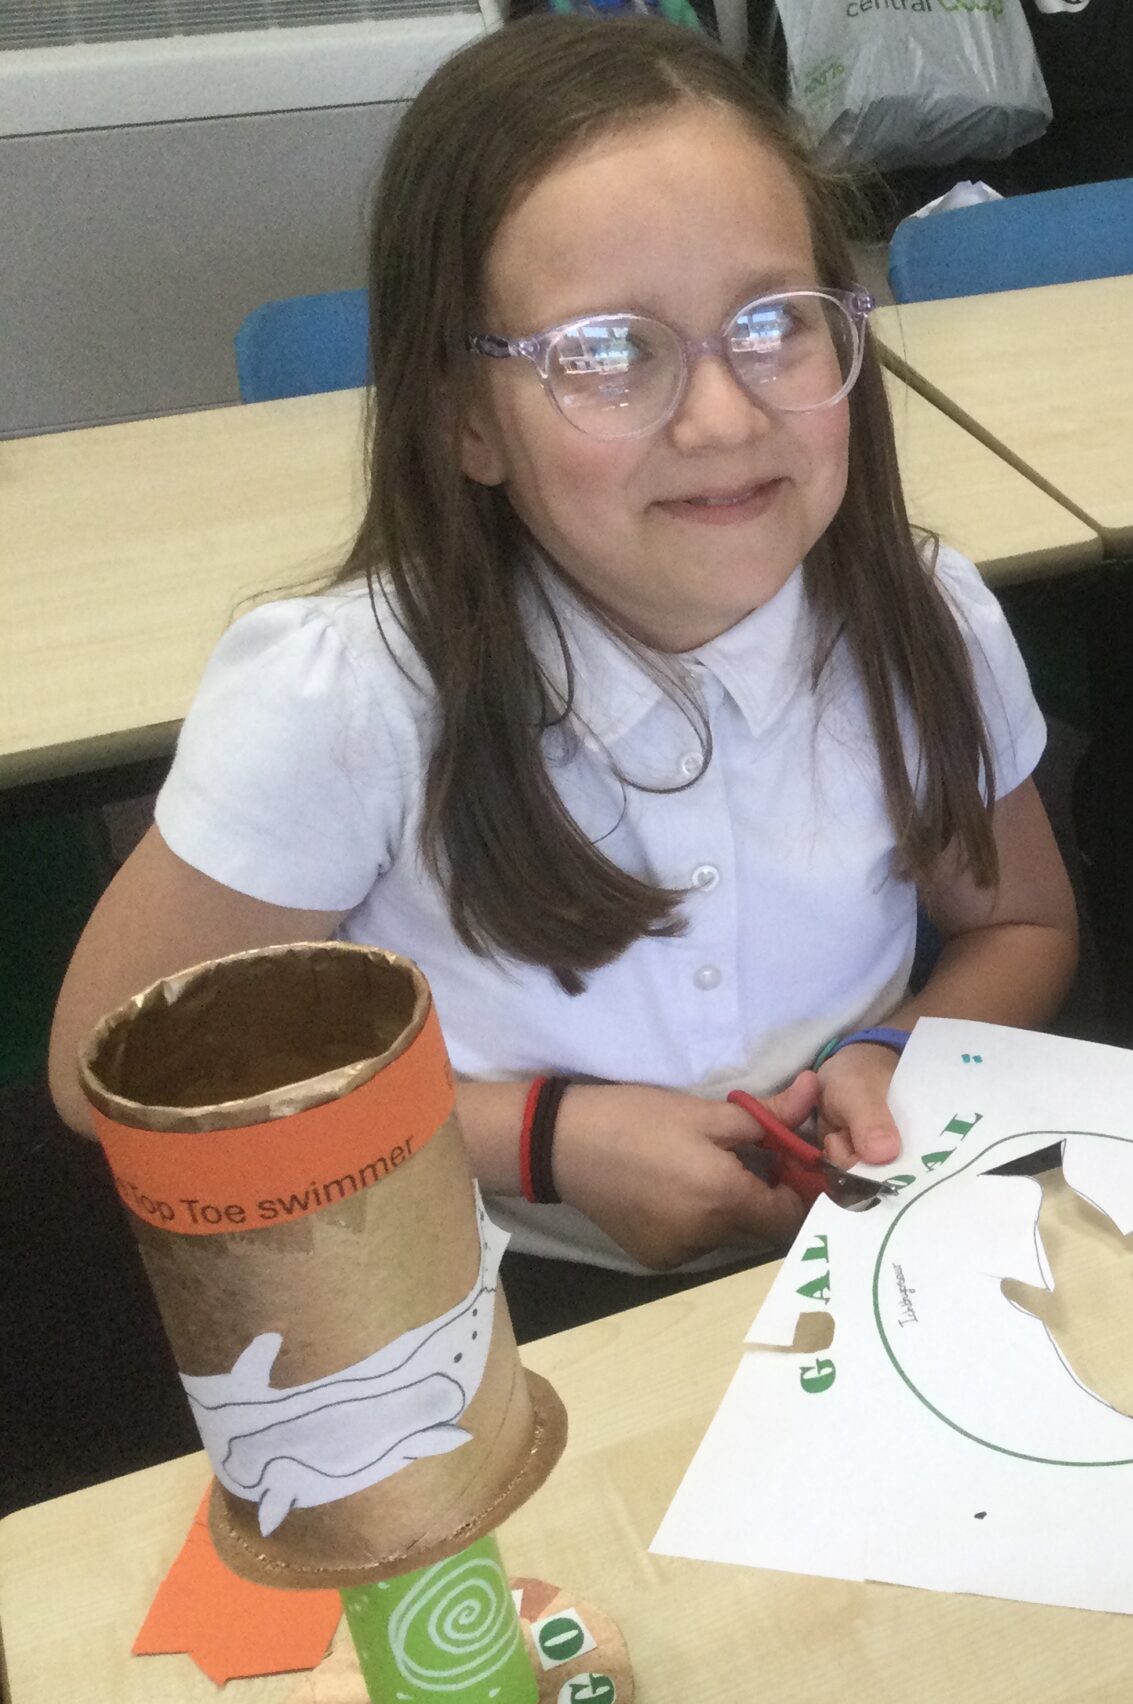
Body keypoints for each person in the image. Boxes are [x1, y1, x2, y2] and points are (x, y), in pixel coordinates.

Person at [49, 15, 1078, 1291]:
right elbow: (113, 1078)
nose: (721, 417)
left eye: (774, 322)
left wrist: (892, 1050)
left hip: (849, 1250)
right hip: (485, 1282)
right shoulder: (352, 694)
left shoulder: (920, 619)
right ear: (465, 419)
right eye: (602, 352)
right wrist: (542, 1142)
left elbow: (1021, 920)